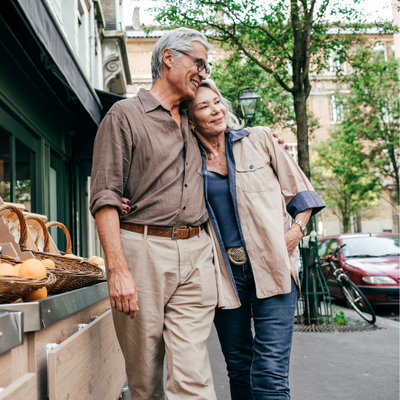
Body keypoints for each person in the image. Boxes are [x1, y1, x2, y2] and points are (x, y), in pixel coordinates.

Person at [123, 79, 325, 399]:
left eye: (217, 102)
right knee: (239, 369)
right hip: (223, 277)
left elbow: (303, 195)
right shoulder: (184, 162)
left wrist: (294, 233)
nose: (216, 110)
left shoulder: (259, 140)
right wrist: (125, 199)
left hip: (273, 266)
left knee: (269, 373)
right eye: (204, 106)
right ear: (189, 118)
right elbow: (152, 192)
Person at [89, 28, 218, 400]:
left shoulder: (195, 121)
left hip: (196, 252)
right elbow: (105, 195)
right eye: (198, 62)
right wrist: (118, 270)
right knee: (145, 380)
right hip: (142, 251)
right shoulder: (124, 115)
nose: (203, 73)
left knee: (193, 373)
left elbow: (234, 143)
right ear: (169, 59)